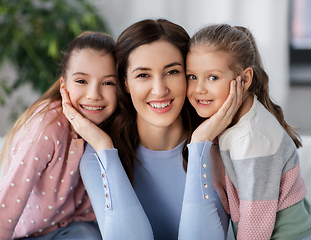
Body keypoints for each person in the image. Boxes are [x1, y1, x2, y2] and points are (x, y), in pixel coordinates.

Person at [61, 19, 243, 240]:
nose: (159, 90)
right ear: (125, 82)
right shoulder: (96, 157)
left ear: (189, 76)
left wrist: (199, 146)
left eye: (172, 72)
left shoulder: (219, 149)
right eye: (143, 75)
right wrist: (104, 148)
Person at [0, 31, 118, 239]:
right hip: (30, 234)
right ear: (64, 86)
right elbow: (7, 202)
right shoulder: (46, 128)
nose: (93, 95)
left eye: (108, 83)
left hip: (76, 227)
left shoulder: (114, 124)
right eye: (81, 81)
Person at [186, 23, 311, 240]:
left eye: (213, 77)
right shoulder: (235, 121)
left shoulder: (251, 137)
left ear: (245, 79)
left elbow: (255, 220)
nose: (199, 88)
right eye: (192, 76)